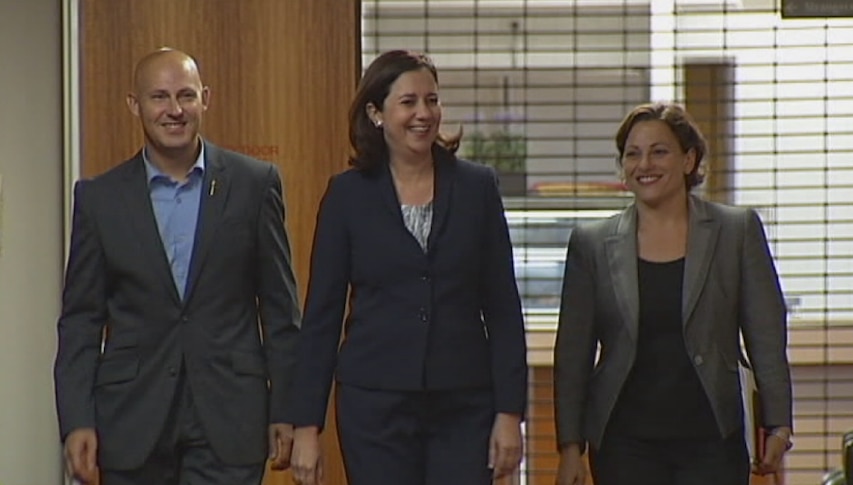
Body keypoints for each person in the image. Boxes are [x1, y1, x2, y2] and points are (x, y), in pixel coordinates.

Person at [54, 48, 301, 485]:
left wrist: (287, 409)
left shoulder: (254, 185)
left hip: (229, 416)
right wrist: (77, 420)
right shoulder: (99, 199)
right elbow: (81, 321)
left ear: (205, 99)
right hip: (131, 420)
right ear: (135, 105)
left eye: (186, 96)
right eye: (159, 97)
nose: (174, 110)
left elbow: (280, 311)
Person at [287, 50, 528, 485]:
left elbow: (504, 309)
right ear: (376, 113)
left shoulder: (477, 188)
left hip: (464, 405)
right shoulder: (347, 196)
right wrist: (307, 426)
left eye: (432, 100)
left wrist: (510, 413)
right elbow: (321, 316)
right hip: (374, 407)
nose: (424, 114)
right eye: (409, 102)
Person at [553, 102, 793, 485]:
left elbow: (766, 336)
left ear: (688, 159)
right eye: (632, 154)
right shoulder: (591, 244)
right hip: (623, 445)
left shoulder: (736, 231)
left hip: (713, 441)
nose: (644, 164)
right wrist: (570, 448)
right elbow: (573, 355)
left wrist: (778, 424)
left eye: (658, 151)